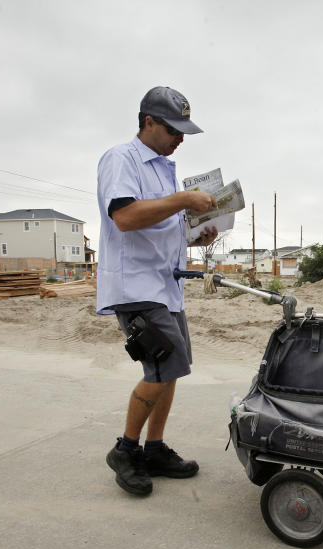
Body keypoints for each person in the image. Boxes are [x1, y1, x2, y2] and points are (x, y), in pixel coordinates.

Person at [96, 86, 218, 496]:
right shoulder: (121, 159)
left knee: (173, 369)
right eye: (173, 130)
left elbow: (162, 225)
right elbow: (126, 217)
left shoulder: (164, 168)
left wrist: (193, 238)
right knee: (165, 364)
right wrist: (183, 198)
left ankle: (154, 448)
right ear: (148, 122)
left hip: (166, 285)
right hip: (135, 286)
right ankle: (126, 450)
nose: (180, 139)